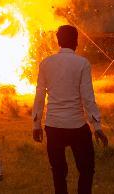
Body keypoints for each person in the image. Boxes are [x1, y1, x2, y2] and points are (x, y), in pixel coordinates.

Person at [32, 25, 108, 194]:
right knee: (86, 169)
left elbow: (39, 96)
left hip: (53, 126)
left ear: (58, 41)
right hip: (76, 125)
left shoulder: (46, 63)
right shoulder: (82, 63)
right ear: (76, 42)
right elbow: (88, 98)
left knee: (58, 172)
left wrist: (36, 125)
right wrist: (97, 127)